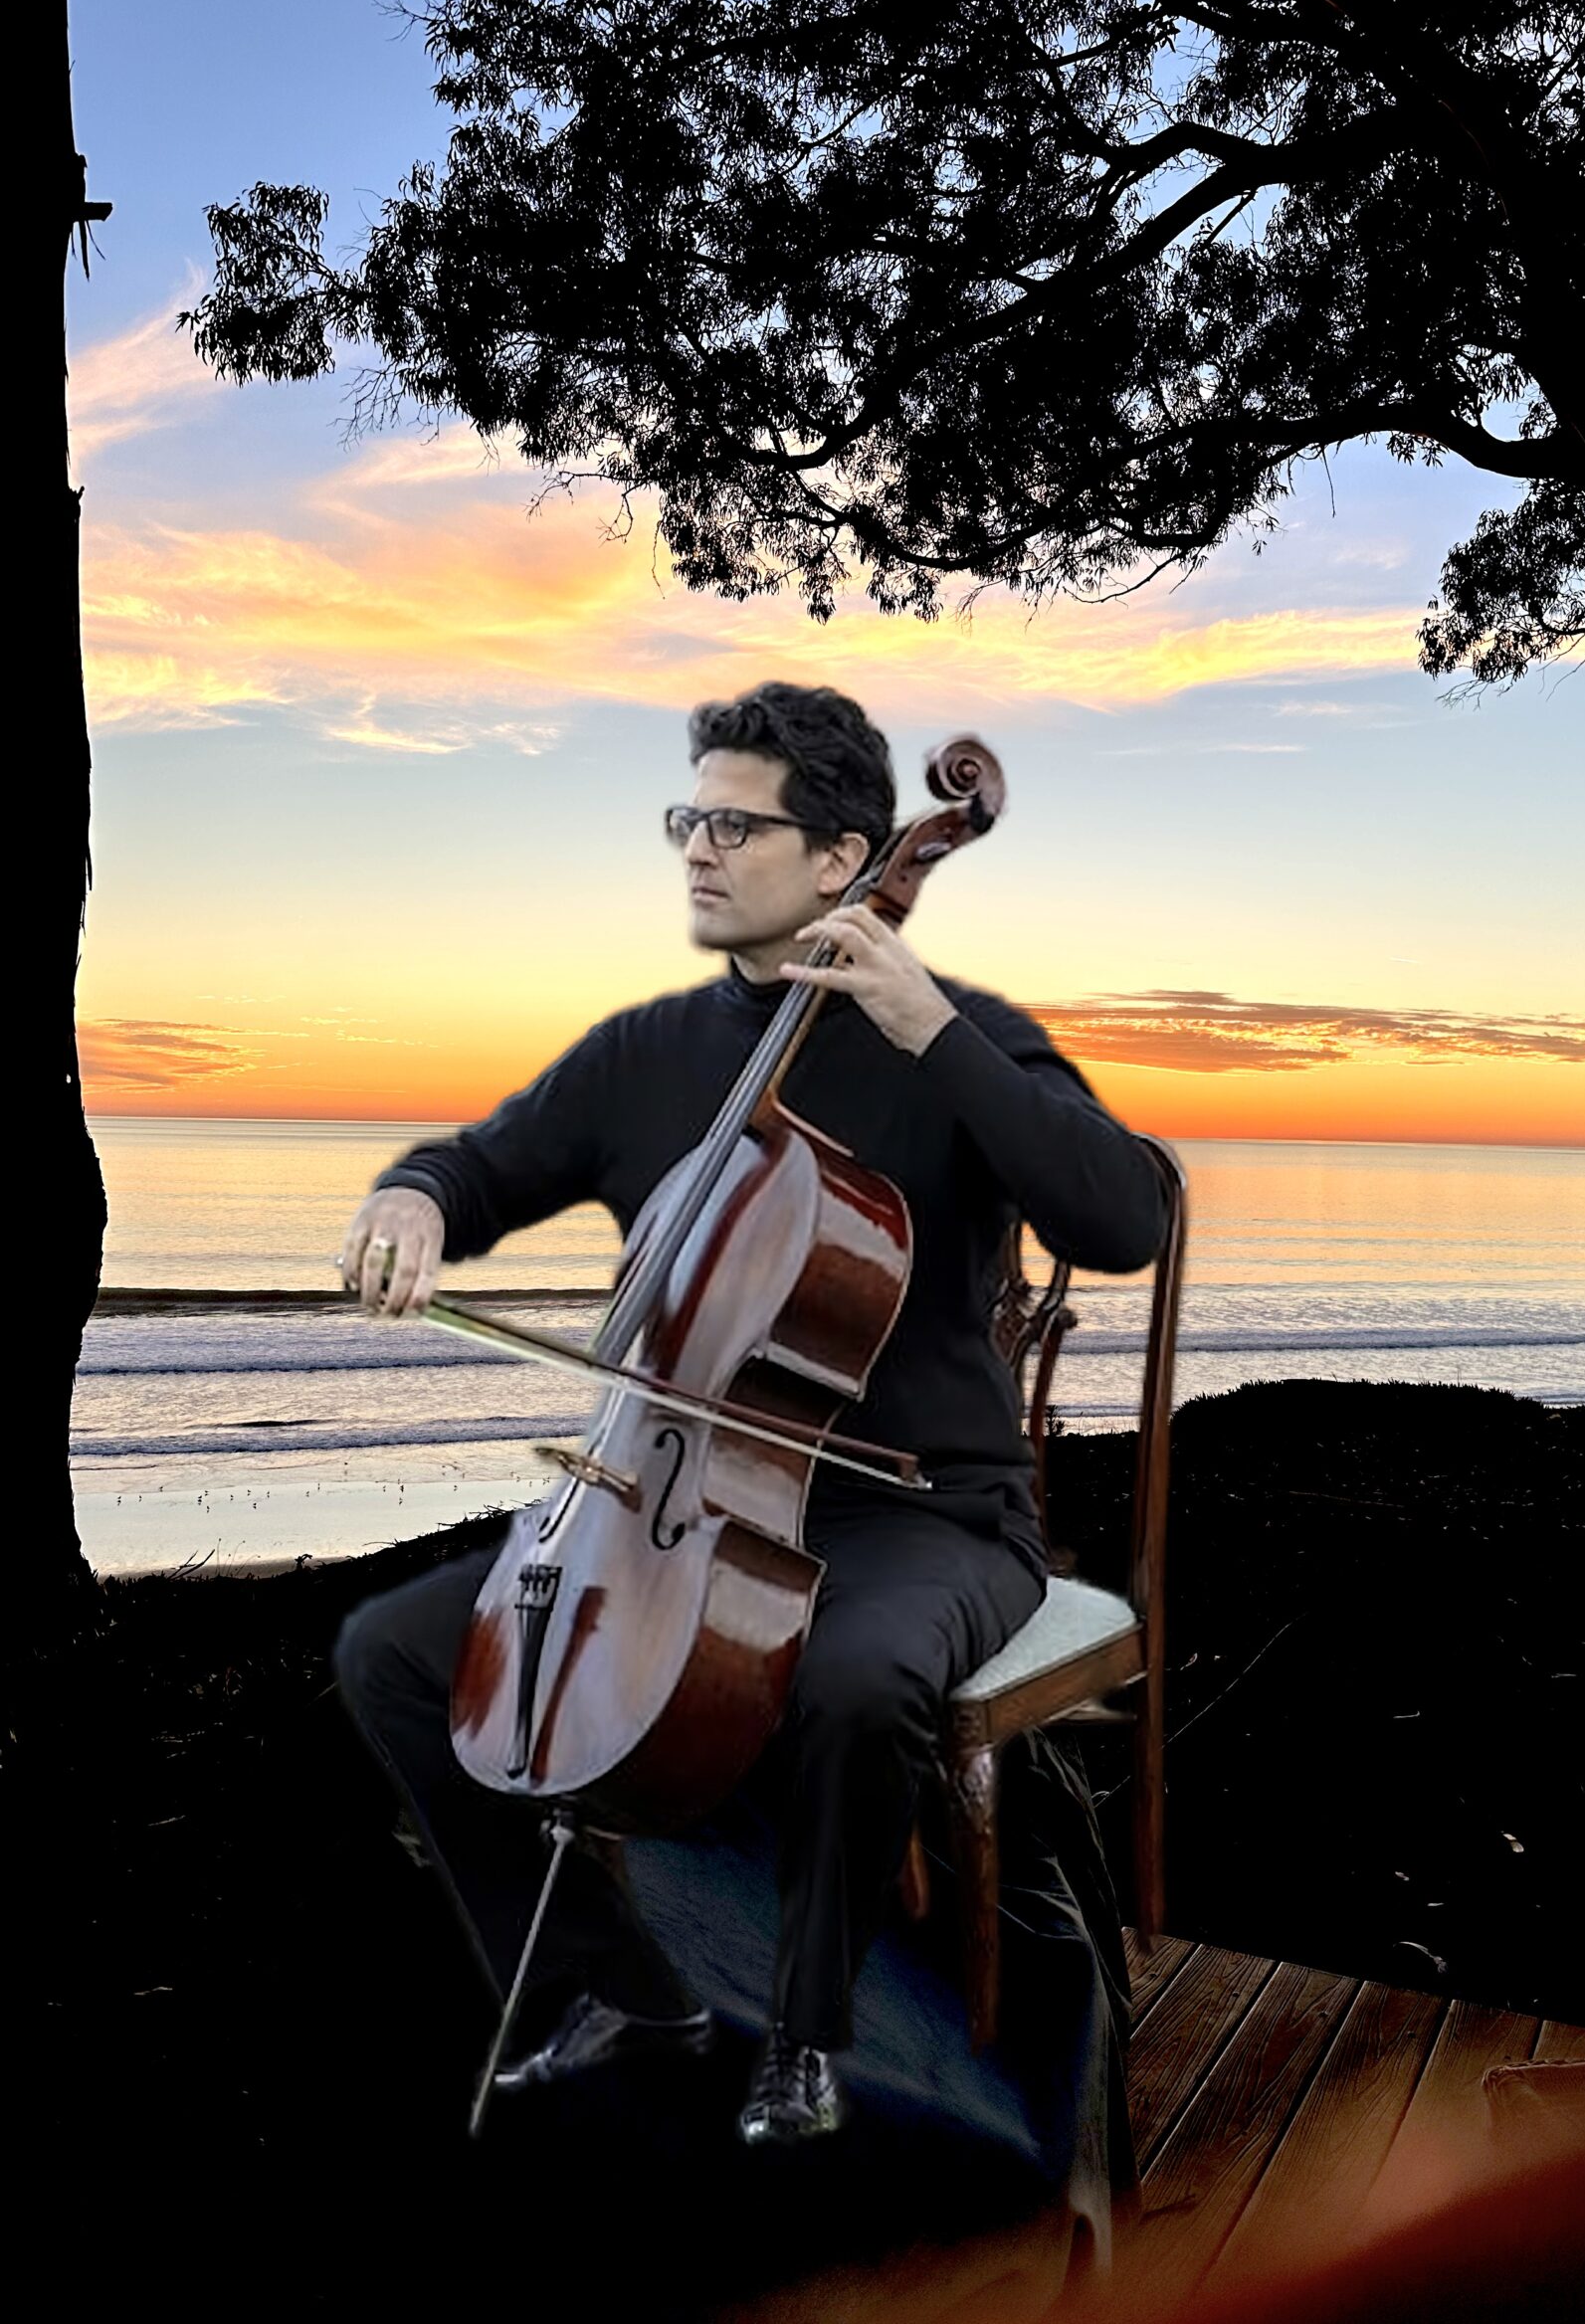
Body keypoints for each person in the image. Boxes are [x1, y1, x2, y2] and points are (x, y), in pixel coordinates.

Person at [331, 682, 1164, 2145]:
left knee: (851, 1676)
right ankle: (619, 1986)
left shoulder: (957, 1033)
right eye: (689, 817)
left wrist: (936, 1036)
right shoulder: (647, 1053)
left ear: (846, 861)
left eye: (735, 823)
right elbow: (482, 1164)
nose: (698, 849)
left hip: (926, 1510)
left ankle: (806, 2034)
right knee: (398, 1656)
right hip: (671, 1497)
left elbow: (1124, 1213)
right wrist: (414, 1194)